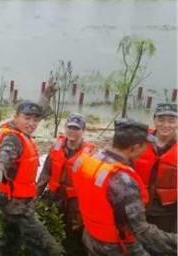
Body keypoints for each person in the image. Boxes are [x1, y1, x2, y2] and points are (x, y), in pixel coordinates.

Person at [73, 118, 177, 255]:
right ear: (134, 148)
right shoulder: (123, 181)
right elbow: (141, 230)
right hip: (116, 246)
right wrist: (174, 240)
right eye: (145, 145)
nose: (147, 150)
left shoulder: (88, 160)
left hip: (91, 237)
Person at [0, 79, 62, 256]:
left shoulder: (21, 133)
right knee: (47, 248)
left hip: (12, 199)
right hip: (17, 205)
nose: (32, 123)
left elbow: (39, 110)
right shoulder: (13, 139)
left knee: (9, 242)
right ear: (16, 117)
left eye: (35, 120)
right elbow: (6, 153)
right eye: (27, 118)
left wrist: (46, 96)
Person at [37, 113, 95, 255]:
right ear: (65, 128)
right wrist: (35, 196)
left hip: (75, 203)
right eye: (70, 127)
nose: (72, 131)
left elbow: (91, 186)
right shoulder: (56, 148)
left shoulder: (89, 156)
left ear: (83, 131)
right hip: (54, 196)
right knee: (50, 230)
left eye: (76, 128)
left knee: (73, 237)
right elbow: (45, 173)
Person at [133, 103, 177, 233]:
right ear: (154, 120)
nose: (165, 125)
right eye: (161, 120)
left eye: (171, 121)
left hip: (167, 210)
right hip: (138, 203)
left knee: (162, 245)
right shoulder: (139, 140)